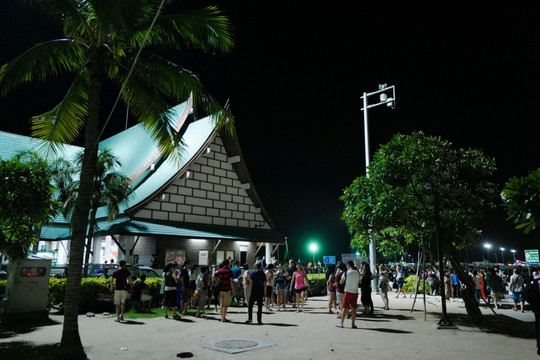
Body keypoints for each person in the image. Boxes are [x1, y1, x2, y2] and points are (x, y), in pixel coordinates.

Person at [339, 261, 360, 328]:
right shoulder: (357, 273)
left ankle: (342, 324)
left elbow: (341, 282)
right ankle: (353, 324)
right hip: (355, 292)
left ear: (348, 266)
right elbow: (360, 281)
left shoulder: (346, 273)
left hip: (347, 292)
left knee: (344, 308)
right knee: (353, 309)